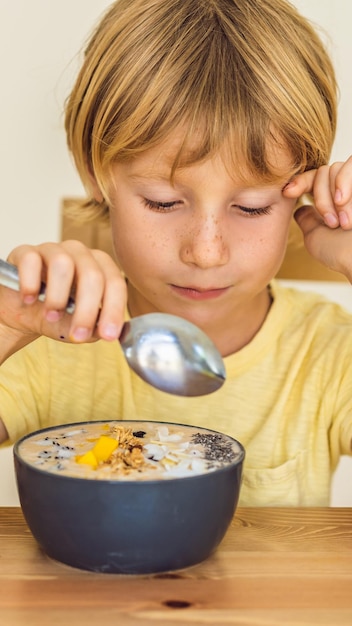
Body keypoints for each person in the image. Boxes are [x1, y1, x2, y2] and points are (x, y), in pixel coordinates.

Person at [1, 0, 352, 506]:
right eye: (163, 202)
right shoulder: (42, 346)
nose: (206, 252)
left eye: (251, 207)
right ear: (95, 176)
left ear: (303, 190)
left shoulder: (327, 356)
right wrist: (7, 326)